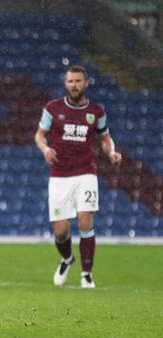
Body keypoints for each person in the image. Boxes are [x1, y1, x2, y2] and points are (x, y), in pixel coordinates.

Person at [35, 65, 122, 289]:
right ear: (66, 84)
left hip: (86, 172)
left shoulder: (97, 111)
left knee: (85, 221)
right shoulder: (52, 108)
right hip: (59, 175)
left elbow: (105, 138)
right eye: (70, 81)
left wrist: (111, 152)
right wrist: (45, 150)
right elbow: (40, 135)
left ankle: (86, 274)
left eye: (78, 81)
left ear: (86, 83)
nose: (74, 85)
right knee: (61, 231)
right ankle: (67, 259)